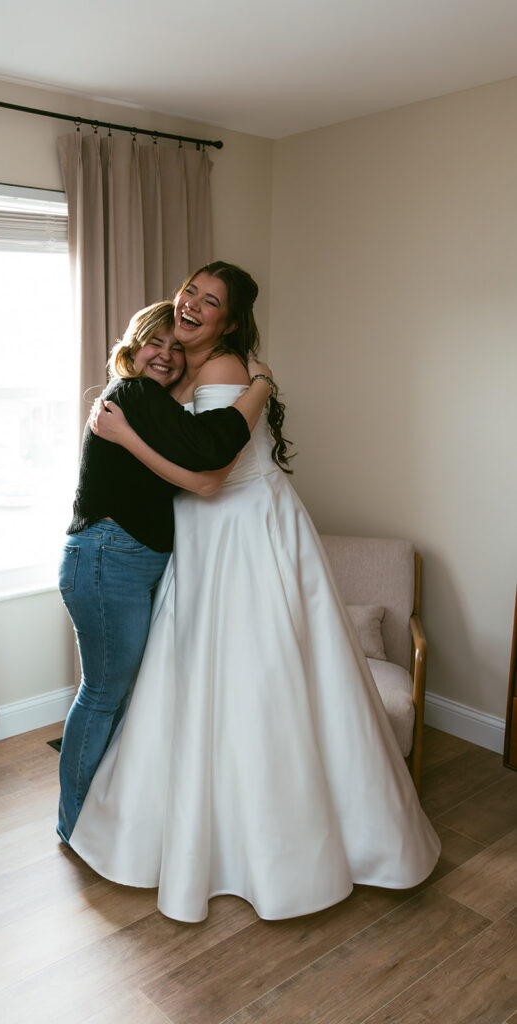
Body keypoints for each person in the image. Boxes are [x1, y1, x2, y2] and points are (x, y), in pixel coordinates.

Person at [66, 261, 441, 923]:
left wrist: (253, 388)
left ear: (229, 321)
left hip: (237, 530)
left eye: (209, 302)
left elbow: (210, 472)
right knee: (193, 675)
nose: (191, 304)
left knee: (251, 676)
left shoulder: (221, 370)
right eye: (190, 290)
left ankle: (266, 844)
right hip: (205, 531)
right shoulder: (179, 370)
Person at [56, 298, 273, 844]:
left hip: (120, 562)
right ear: (132, 350)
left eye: (176, 348)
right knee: (104, 696)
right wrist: (260, 389)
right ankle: (75, 824)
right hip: (108, 559)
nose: (166, 354)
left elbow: (186, 467)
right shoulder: (133, 394)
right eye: (155, 342)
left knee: (120, 697)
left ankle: (103, 815)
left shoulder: (146, 407)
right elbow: (210, 448)